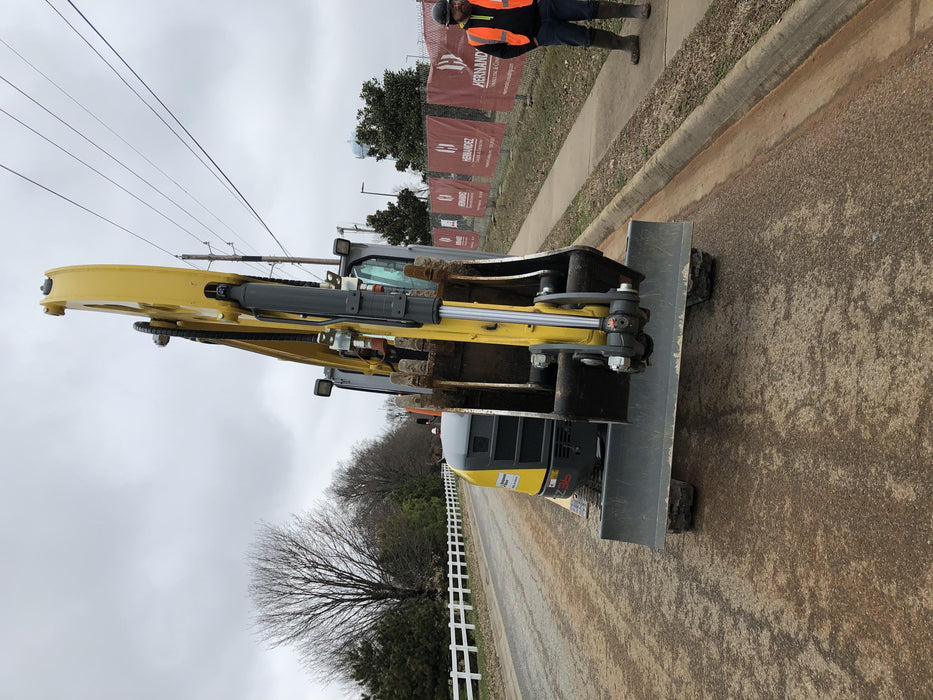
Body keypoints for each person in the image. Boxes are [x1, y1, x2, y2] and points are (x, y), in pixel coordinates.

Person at [431, 0, 649, 64]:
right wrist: (533, 43)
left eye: (453, 2)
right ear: (453, 22)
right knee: (584, 38)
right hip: (541, 33)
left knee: (588, 8)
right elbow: (505, 53)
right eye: (453, 9)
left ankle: (633, 10)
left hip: (541, 6)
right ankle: (626, 44)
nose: (457, 4)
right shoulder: (475, 38)